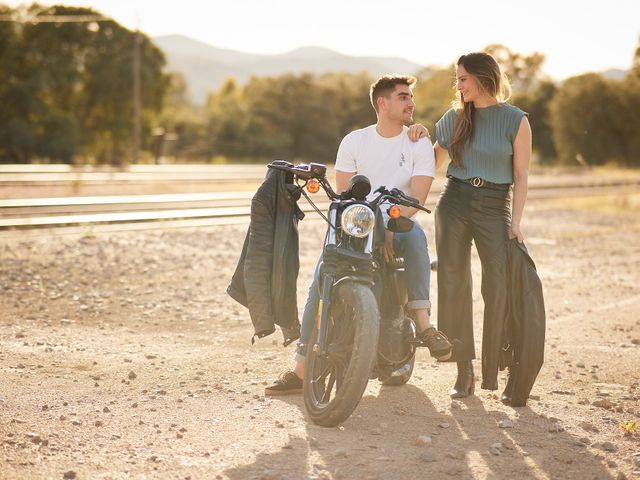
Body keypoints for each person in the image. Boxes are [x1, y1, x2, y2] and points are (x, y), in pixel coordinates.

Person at [265, 75, 453, 395]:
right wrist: (371, 228)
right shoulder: (354, 141)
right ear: (383, 103)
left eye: (411, 97)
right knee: (319, 281)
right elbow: (344, 194)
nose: (412, 103)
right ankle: (301, 367)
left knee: (418, 239)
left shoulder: (418, 141)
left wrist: (390, 227)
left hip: (398, 220)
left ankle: (424, 324)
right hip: (356, 224)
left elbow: (417, 199)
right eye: (404, 97)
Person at [428, 52, 533, 399]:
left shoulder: (515, 120)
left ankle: (497, 368)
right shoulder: (455, 117)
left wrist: (515, 222)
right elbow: (430, 162)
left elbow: (520, 176)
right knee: (454, 282)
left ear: (483, 78)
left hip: (494, 205)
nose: (457, 85)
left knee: (497, 287)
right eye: (456, 79)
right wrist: (413, 136)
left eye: (462, 78)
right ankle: (464, 371)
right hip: (454, 201)